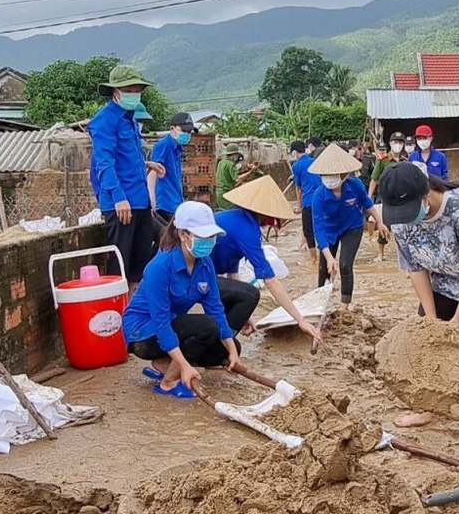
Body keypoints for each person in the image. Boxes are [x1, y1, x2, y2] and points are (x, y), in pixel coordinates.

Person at [379, 162, 459, 469]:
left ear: (426, 193)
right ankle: (429, 408)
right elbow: (414, 268)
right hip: (439, 281)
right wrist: (432, 320)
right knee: (425, 345)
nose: (406, 219)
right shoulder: (399, 219)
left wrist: (456, 323)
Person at [122, 200, 248, 395]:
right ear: (183, 234)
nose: (208, 242)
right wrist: (184, 365)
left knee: (227, 349)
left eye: (211, 237)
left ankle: (167, 363)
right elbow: (161, 321)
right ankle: (169, 380)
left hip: (171, 324)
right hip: (144, 333)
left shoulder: (204, 264)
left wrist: (231, 350)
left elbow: (215, 309)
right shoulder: (160, 267)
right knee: (206, 326)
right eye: (203, 236)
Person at [210, 175, 321, 346]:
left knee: (241, 295)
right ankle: (217, 346)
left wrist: (243, 315)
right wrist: (300, 320)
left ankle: (223, 341)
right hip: (197, 275)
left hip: (203, 274)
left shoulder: (235, 218)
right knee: (251, 294)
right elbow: (270, 281)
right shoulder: (247, 230)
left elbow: (232, 273)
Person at [88, 63, 158, 284]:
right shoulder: (104, 121)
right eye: (128, 90)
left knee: (141, 264)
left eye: (137, 90)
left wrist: (148, 166)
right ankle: (118, 314)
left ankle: (135, 312)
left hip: (140, 200)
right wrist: (118, 197)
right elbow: (104, 163)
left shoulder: (131, 120)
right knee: (120, 265)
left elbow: (128, 160)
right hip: (121, 203)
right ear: (115, 92)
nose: (134, 94)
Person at [307, 142, 374, 306]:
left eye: (334, 175)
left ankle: (344, 307)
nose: (329, 179)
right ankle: (319, 303)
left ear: (344, 174)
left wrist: (379, 221)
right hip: (329, 231)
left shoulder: (355, 185)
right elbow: (319, 229)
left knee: (344, 265)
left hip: (352, 227)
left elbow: (367, 203)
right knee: (325, 268)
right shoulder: (318, 196)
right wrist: (329, 258)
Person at [149, 110, 194, 222]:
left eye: (190, 132)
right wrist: (151, 200)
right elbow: (153, 171)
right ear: (172, 129)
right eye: (184, 130)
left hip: (175, 201)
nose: (187, 134)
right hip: (164, 203)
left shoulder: (177, 148)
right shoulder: (163, 145)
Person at [213, 145, 257, 209]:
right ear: (234, 154)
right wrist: (250, 172)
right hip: (226, 192)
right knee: (233, 210)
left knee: (224, 211)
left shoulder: (221, 162)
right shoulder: (230, 164)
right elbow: (237, 179)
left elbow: (229, 174)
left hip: (219, 193)